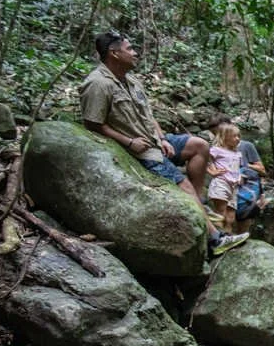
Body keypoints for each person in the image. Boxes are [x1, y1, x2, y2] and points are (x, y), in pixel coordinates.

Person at [80, 31, 246, 254]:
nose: (135, 52)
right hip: (138, 150)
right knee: (183, 185)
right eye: (129, 49)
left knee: (199, 145)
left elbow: (148, 115)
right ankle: (214, 239)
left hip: (155, 140)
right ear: (114, 53)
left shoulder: (132, 81)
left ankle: (199, 203)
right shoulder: (98, 84)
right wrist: (129, 142)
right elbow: (93, 124)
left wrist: (161, 138)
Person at [208, 113, 270, 234]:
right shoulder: (216, 148)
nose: (218, 136)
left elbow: (262, 170)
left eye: (222, 132)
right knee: (224, 216)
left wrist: (244, 166)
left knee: (243, 219)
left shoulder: (246, 146)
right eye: (215, 133)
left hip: (247, 187)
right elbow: (208, 161)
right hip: (226, 185)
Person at [205, 120, 243, 236]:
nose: (237, 139)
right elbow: (205, 158)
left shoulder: (237, 153)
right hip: (221, 183)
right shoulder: (217, 150)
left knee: (231, 217)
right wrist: (211, 171)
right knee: (220, 212)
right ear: (224, 137)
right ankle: (217, 236)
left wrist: (240, 176)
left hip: (234, 186)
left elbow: (237, 167)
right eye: (234, 136)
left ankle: (228, 236)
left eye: (238, 136)